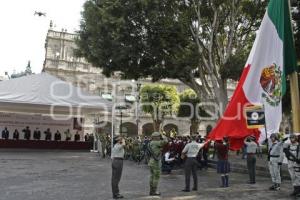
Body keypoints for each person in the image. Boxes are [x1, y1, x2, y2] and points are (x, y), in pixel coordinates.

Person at [147, 132, 168, 196]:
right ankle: (154, 191)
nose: (160, 137)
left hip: (151, 161)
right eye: (159, 136)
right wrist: (163, 135)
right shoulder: (156, 142)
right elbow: (166, 141)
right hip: (156, 162)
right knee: (156, 177)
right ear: (156, 137)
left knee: (152, 176)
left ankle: (151, 191)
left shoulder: (150, 143)